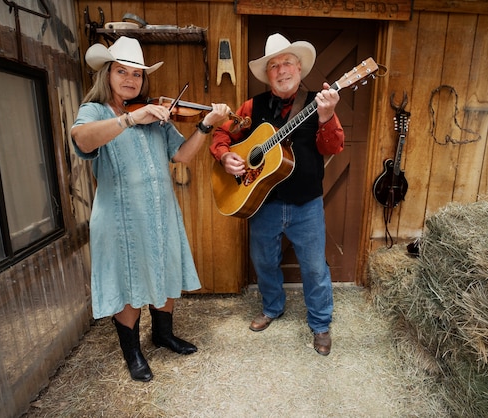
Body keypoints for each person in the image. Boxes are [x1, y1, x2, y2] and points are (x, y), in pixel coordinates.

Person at [71, 36, 230, 381]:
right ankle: (133, 353)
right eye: (122, 72)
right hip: (119, 218)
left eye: (137, 74)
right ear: (107, 75)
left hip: (161, 212)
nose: (130, 80)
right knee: (129, 281)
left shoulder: (157, 115)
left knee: (165, 269)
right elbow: (81, 139)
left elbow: (182, 155)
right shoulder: (95, 111)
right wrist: (130, 120)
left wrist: (205, 126)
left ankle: (163, 334)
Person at [209, 33, 344, 356]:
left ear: (299, 68)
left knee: (313, 267)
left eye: (287, 63)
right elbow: (222, 132)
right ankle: (272, 307)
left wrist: (325, 118)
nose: (281, 70)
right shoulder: (252, 106)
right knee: (264, 261)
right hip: (262, 203)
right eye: (274, 66)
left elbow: (334, 147)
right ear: (267, 74)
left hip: (306, 204)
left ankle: (321, 323)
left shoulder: (319, 103)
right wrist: (225, 156)